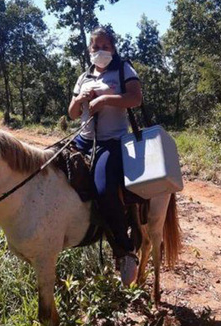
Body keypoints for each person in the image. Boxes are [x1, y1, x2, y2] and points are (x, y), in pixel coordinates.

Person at [68, 26, 142, 286]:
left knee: (103, 188)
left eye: (105, 46)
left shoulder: (123, 70)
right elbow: (73, 113)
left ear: (113, 48)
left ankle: (125, 249)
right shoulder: (84, 76)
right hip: (83, 140)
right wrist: (81, 99)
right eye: (94, 47)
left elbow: (135, 98)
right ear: (89, 50)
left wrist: (105, 100)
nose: (99, 51)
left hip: (112, 142)